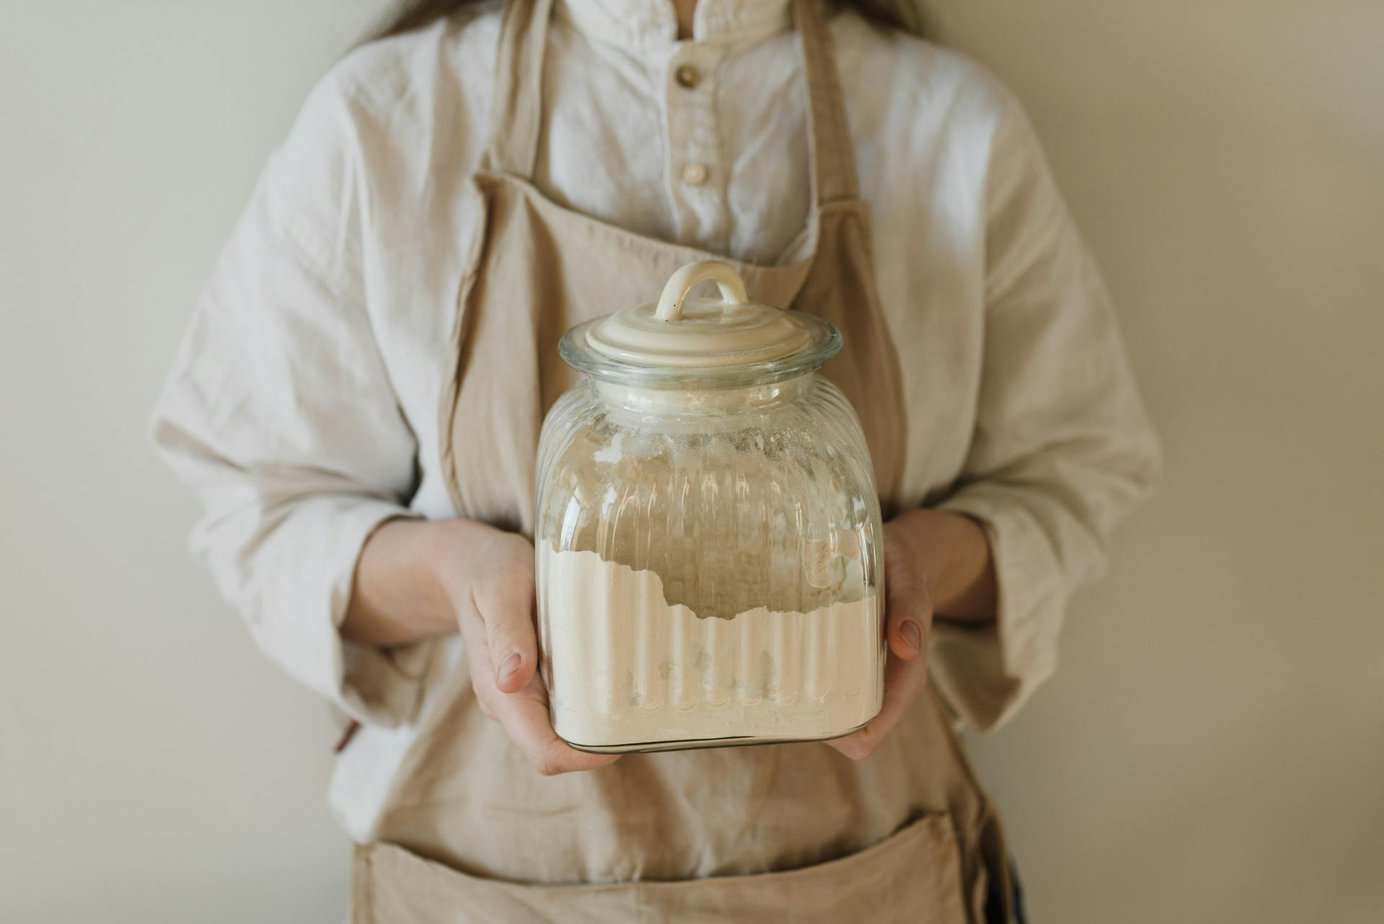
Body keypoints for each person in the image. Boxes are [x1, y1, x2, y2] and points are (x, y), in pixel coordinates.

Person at [153, 0, 1159, 919]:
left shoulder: (947, 124)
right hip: (488, 885)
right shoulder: (389, 120)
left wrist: (915, 572)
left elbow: (1072, 470)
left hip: (868, 872)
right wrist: (460, 577)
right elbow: (257, 502)